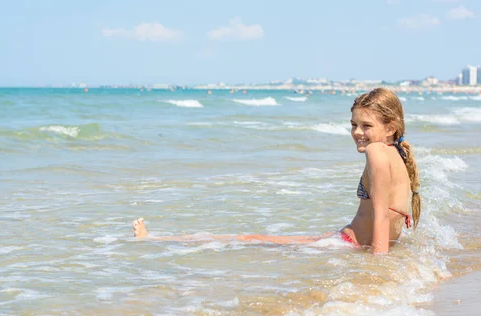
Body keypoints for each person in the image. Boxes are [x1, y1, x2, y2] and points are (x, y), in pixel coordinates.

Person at [132, 88, 421, 254]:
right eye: (353, 125)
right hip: (349, 242)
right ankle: (159, 239)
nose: (357, 132)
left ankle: (155, 240)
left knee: (251, 239)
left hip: (348, 243)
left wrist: (378, 271)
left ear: (390, 127)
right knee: (255, 240)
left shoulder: (375, 152)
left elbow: (381, 216)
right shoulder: (398, 153)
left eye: (366, 126)